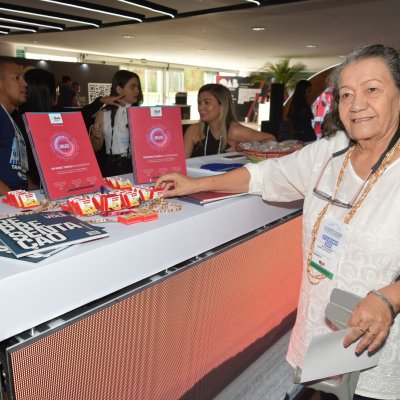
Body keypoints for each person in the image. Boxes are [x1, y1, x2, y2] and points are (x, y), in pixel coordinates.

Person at [155, 44, 400, 400]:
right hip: (323, 328)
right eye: (346, 94)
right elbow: (265, 175)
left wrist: (388, 299)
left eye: (372, 89)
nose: (356, 103)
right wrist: (197, 183)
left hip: (381, 345)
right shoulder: (328, 152)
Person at [18, 68, 125, 186]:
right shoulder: (22, 121)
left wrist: (101, 100)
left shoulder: (52, 112)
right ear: (43, 91)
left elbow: (79, 115)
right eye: (55, 89)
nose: (58, 93)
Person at [184, 83, 275, 158]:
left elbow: (271, 140)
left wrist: (245, 148)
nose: (200, 108)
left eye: (207, 102)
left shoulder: (234, 130)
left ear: (222, 106)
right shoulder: (194, 131)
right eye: (199, 103)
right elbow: (181, 164)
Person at [90, 70, 143, 177]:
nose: (137, 91)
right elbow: (95, 148)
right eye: (132, 87)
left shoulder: (142, 114)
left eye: (138, 87)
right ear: (119, 89)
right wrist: (96, 137)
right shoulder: (103, 113)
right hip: (111, 167)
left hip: (138, 165)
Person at [0, 61, 32, 195]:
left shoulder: (8, 116)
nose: (25, 83)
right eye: (16, 78)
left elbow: (18, 169)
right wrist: (11, 198)